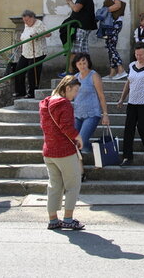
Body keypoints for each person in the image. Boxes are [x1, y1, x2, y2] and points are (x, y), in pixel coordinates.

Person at [39, 75, 85, 230]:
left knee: (54, 185)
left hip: (49, 150)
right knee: (73, 184)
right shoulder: (64, 104)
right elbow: (66, 127)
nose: (76, 95)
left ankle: (53, 220)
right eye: (75, 90)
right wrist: (78, 137)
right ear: (67, 88)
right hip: (64, 150)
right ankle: (68, 219)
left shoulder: (46, 103)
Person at [72, 53, 110, 154]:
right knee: (73, 142)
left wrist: (105, 114)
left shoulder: (94, 75)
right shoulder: (75, 78)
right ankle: (78, 164)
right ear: (76, 65)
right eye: (79, 63)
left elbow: (101, 96)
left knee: (82, 141)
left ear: (88, 62)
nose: (82, 66)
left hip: (92, 114)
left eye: (84, 63)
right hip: (77, 114)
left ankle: (95, 151)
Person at [15, 10, 50, 99]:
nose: (26, 22)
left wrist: (38, 34)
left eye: (27, 20)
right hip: (26, 52)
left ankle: (32, 92)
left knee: (32, 73)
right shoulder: (26, 25)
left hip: (37, 52)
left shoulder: (39, 24)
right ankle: (20, 91)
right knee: (19, 70)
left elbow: (48, 33)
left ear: (32, 17)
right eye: (24, 21)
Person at [64, 0, 97, 75]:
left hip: (82, 26)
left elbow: (76, 9)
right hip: (85, 26)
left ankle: (71, 71)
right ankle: (86, 70)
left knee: (76, 49)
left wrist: (69, 1)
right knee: (83, 50)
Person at [102, 0, 127, 80]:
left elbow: (118, 5)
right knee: (110, 46)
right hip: (112, 23)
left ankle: (121, 69)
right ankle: (112, 72)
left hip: (114, 23)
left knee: (111, 47)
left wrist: (105, 10)